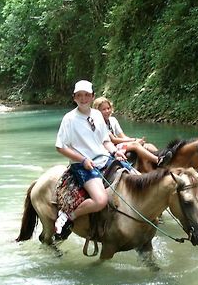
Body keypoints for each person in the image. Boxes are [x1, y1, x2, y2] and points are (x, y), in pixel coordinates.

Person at [55, 80, 126, 238]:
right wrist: (82, 160)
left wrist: (115, 152)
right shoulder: (69, 119)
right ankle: (68, 216)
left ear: (93, 97)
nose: (83, 98)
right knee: (100, 200)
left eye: (87, 95)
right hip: (83, 166)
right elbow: (60, 146)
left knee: (135, 175)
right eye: (79, 95)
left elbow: (105, 140)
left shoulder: (97, 115)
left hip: (104, 158)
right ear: (74, 98)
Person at [93, 97, 171, 172]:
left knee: (148, 145)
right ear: (97, 111)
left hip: (119, 145)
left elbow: (122, 136)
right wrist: (134, 140)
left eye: (108, 108)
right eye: (103, 109)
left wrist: (135, 140)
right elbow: (114, 140)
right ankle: (157, 160)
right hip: (111, 148)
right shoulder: (99, 123)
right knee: (135, 145)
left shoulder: (113, 120)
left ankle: (163, 158)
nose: (107, 111)